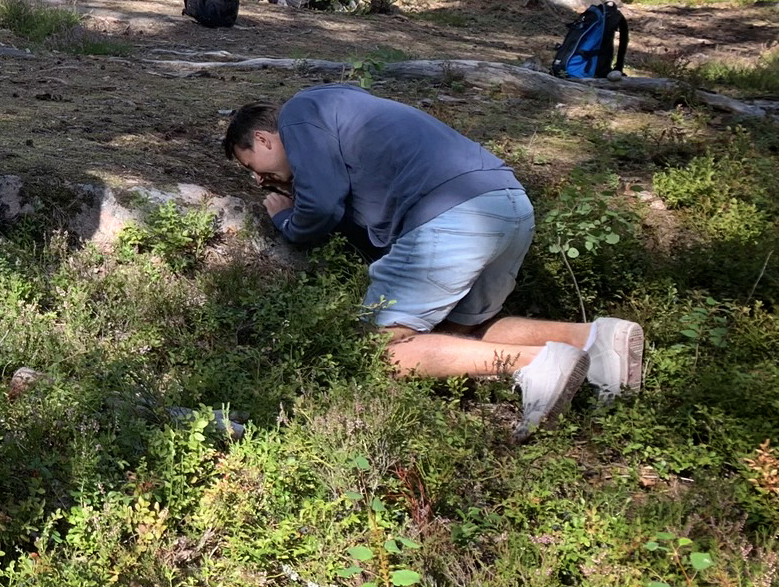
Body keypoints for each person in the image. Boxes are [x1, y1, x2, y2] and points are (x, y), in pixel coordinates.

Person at [223, 85, 645, 439]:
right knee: (455, 332)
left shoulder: (299, 113)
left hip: (450, 214)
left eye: (252, 166)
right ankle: (595, 339)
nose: (259, 180)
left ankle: (536, 363)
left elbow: (321, 210)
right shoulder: (342, 113)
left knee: (376, 349)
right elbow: (361, 224)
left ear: (264, 139)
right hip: (508, 204)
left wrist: (284, 219)